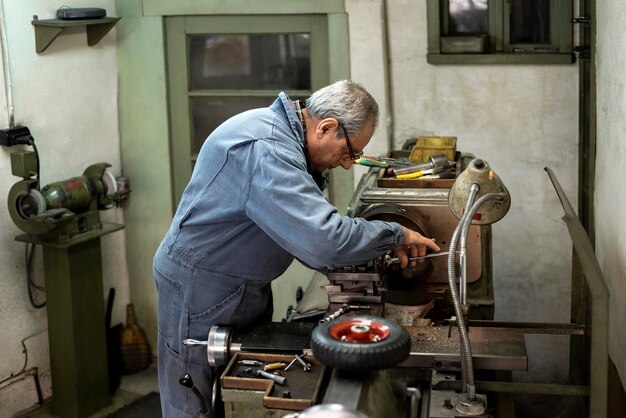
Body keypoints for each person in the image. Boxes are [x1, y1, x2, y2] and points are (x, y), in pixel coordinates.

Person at [153, 80, 440, 417]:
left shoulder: (283, 137)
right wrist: (394, 235)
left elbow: (303, 232)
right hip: (201, 289)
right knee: (196, 399)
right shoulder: (267, 150)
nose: (348, 164)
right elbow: (324, 242)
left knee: (236, 387)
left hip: (244, 284)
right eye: (349, 152)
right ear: (326, 127)